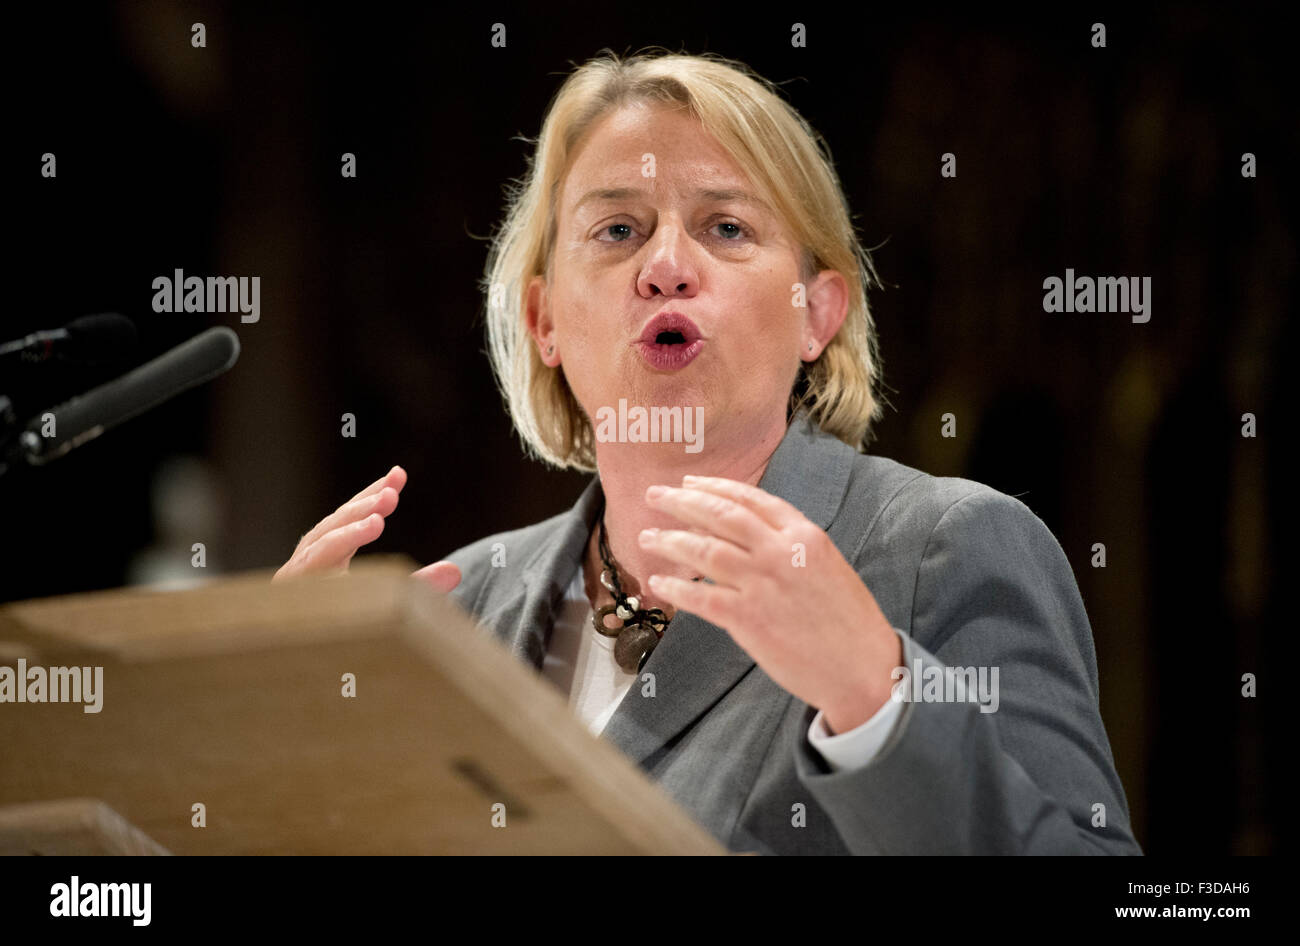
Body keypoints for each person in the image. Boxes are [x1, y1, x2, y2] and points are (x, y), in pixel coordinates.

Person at [275, 49, 1141, 855]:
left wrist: (877, 700)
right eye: (617, 230)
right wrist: (260, 740)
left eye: (726, 227)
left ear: (817, 312)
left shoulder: (945, 553)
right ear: (543, 321)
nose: (666, 268)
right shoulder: (458, 619)